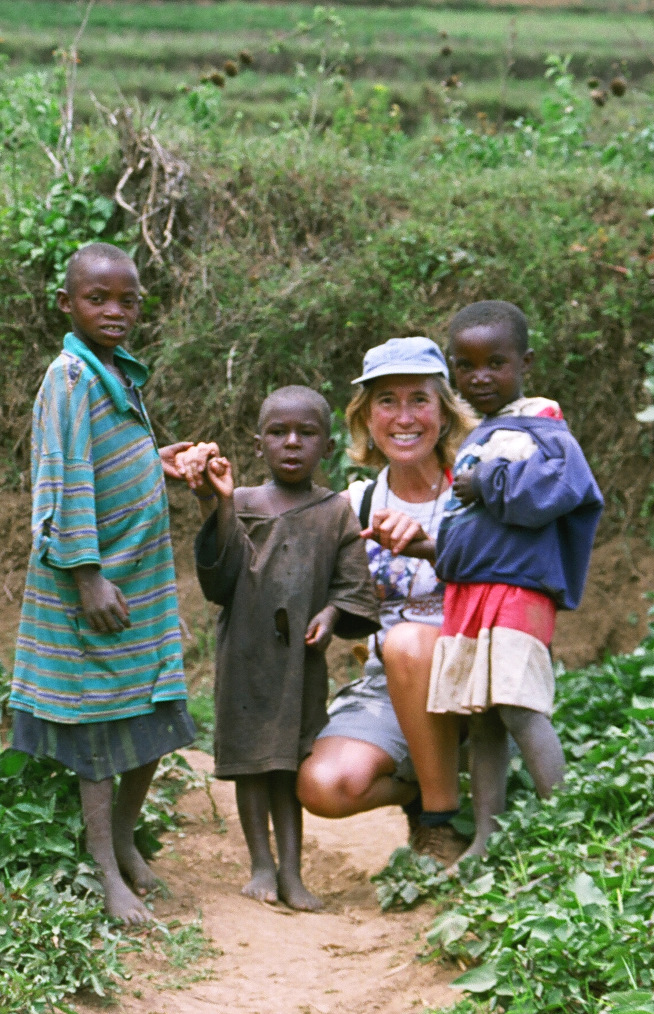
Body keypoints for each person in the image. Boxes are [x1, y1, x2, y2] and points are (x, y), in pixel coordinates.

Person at [8, 242, 198, 926]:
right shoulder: (70, 377)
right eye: (98, 299)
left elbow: (110, 457)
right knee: (97, 724)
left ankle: (125, 838)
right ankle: (104, 869)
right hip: (92, 579)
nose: (115, 311)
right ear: (67, 304)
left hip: (137, 577)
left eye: (127, 300)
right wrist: (86, 576)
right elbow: (63, 476)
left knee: (151, 709)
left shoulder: (114, 372)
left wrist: (157, 460)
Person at [185, 387, 379, 911]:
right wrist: (218, 502)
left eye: (306, 433)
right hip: (245, 657)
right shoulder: (242, 500)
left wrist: (331, 614)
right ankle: (261, 867)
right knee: (252, 763)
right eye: (278, 433)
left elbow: (354, 586)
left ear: (327, 444)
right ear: (258, 443)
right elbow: (219, 578)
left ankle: (293, 874)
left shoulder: (336, 511)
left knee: (289, 764)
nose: (292, 443)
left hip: (300, 662)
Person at [294, 336, 482, 864]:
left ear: (443, 412)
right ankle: (425, 782)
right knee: (322, 787)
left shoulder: (476, 490)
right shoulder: (357, 503)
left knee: (406, 642)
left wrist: (430, 543)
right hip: (387, 687)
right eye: (386, 401)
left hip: (473, 678)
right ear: (366, 418)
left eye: (419, 399)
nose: (404, 417)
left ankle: (440, 821)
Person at [434, 300, 603, 861]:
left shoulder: (544, 426)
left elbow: (565, 487)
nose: (480, 378)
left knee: (520, 706)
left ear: (524, 362)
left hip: (515, 589)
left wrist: (491, 484)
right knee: (481, 716)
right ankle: (486, 839)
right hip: (473, 592)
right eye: (466, 365)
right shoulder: (486, 430)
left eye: (496, 363)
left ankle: (572, 837)